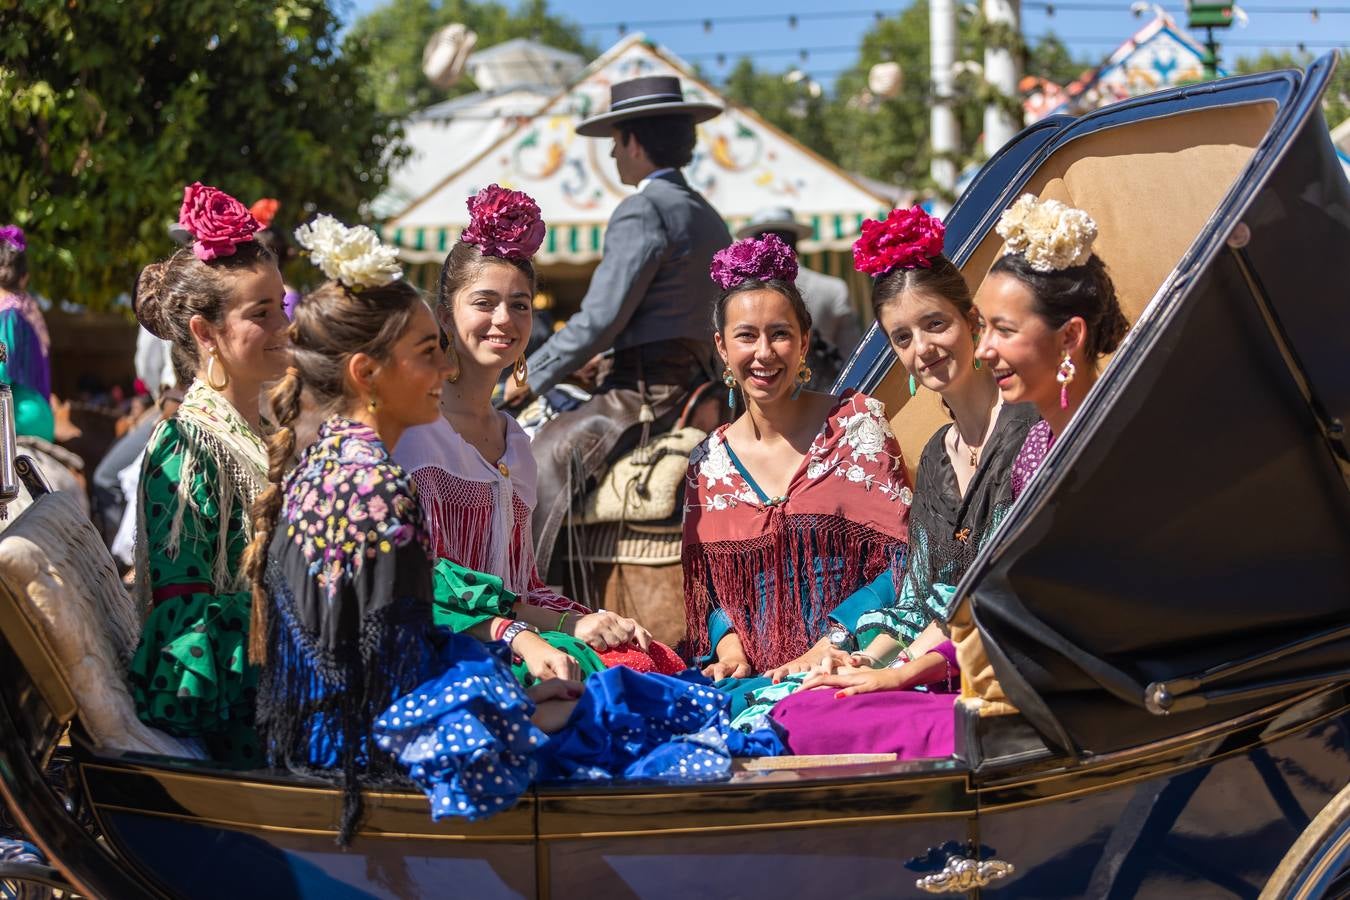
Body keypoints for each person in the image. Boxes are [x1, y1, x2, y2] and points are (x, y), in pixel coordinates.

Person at [243, 216, 583, 841]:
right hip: (353, 753)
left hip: (342, 725)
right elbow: (394, 683)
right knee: (594, 715)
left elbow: (401, 650)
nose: (443, 367)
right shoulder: (374, 488)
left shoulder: (345, 461)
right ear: (366, 374)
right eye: (428, 353)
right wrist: (513, 694)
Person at [767, 195, 1125, 758]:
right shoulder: (938, 453)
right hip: (947, 658)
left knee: (814, 717)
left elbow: (997, 595)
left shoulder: (1035, 427)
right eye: (902, 338)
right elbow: (918, 597)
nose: (923, 349)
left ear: (971, 323)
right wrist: (864, 659)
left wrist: (900, 670)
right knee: (798, 702)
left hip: (1000, 667)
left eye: (935, 324)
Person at [394, 186, 680, 685]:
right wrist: (544, 630)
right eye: (484, 303)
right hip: (447, 643)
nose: (504, 319)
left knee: (647, 657)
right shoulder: (415, 435)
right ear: (444, 315)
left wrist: (594, 621)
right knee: (620, 678)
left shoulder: (517, 441)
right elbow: (417, 585)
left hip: (519, 631)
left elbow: (522, 586)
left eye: (519, 305)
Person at [504, 75, 733, 575]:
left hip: (642, 397)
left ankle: (526, 592)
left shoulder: (642, 209)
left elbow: (599, 320)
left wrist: (526, 377)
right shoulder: (710, 215)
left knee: (534, 461)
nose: (611, 154)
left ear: (633, 142)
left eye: (614, 141)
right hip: (699, 388)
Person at [682, 233, 913, 688]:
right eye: (746, 336)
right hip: (752, 678)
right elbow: (707, 592)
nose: (764, 353)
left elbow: (906, 563)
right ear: (722, 347)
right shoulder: (706, 463)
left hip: (851, 664)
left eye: (780, 334)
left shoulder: (857, 425)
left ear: (805, 341)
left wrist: (834, 641)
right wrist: (729, 649)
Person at [124, 183, 288, 764]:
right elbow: (185, 628)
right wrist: (310, 615)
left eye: (282, 306)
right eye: (261, 314)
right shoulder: (187, 448)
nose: (284, 326)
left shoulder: (266, 432)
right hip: (254, 713)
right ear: (205, 332)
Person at [977, 194, 1128, 496]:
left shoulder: (1127, 426)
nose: (983, 351)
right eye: (983, 327)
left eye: (1004, 330)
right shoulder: (1030, 456)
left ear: (1069, 336)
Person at [736, 206, 862, 369]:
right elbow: (852, 355)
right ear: (795, 243)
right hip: (822, 383)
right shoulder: (834, 289)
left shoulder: (739, 294)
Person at [0, 225, 51, 402]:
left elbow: (2, 371)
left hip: (19, 411)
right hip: (36, 408)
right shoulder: (27, 310)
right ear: (24, 278)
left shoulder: (9, 316)